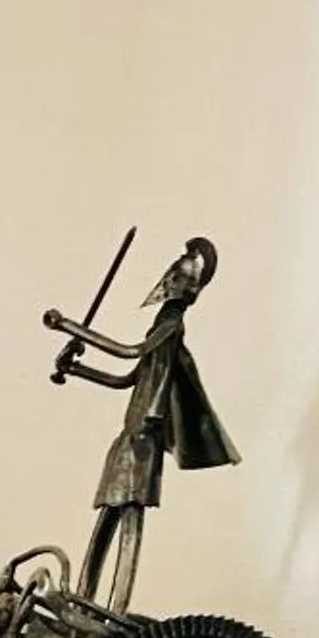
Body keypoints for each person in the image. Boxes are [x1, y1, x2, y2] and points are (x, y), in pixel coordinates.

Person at [44, 236, 239, 611]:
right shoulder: (160, 322)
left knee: (129, 519)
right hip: (129, 435)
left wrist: (68, 326)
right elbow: (128, 378)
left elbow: (128, 351)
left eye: (186, 259)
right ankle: (83, 604)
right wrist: (77, 369)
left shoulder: (172, 323)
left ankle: (113, 609)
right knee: (107, 517)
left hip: (144, 439)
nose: (176, 264)